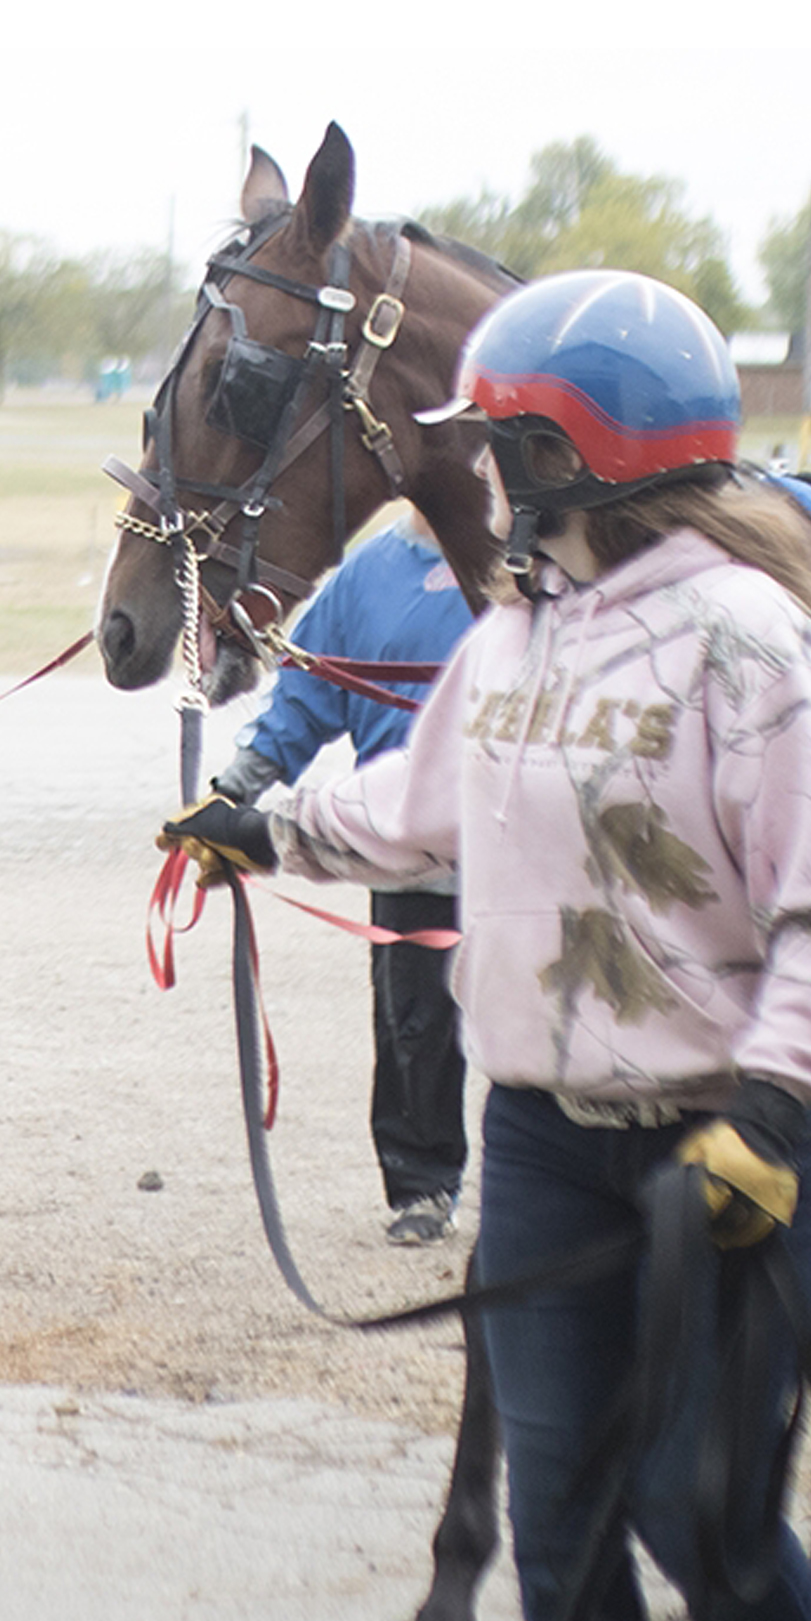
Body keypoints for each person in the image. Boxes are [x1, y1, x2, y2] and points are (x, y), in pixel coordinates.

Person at [159, 272, 811, 1621]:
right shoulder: (507, 637)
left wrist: (778, 1114)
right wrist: (266, 829)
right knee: (558, 1534)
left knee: (707, 1527)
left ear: (573, 455)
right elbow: (414, 811)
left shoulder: (749, 640)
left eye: (500, 442)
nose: (480, 470)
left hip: (724, 1146)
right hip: (545, 1141)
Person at [203, 506, 480, 1245]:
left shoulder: (520, 573)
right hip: (403, 850)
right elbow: (304, 697)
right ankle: (423, 1185)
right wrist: (230, 794)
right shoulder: (366, 573)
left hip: (517, 851)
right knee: (413, 1027)